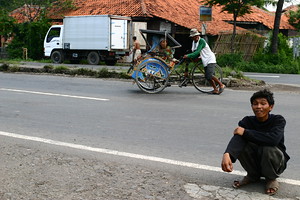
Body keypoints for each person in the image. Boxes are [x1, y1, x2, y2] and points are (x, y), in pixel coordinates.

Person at [221, 89, 290, 196]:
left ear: (271, 107)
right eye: (255, 104)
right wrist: (227, 153)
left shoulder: (278, 120)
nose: (258, 106)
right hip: (257, 160)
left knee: (267, 148)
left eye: (263, 103)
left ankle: (270, 178)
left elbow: (273, 139)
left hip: (276, 161)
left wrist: (245, 132)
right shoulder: (247, 121)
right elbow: (238, 139)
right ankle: (253, 175)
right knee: (241, 145)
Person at [183, 28, 225, 94]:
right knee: (208, 77)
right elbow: (194, 52)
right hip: (204, 59)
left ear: (197, 36)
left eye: (194, 36)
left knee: (209, 75)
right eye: (193, 37)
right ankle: (215, 89)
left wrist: (188, 55)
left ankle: (221, 84)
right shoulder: (194, 42)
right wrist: (190, 57)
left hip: (210, 59)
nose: (194, 38)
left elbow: (197, 52)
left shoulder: (201, 41)